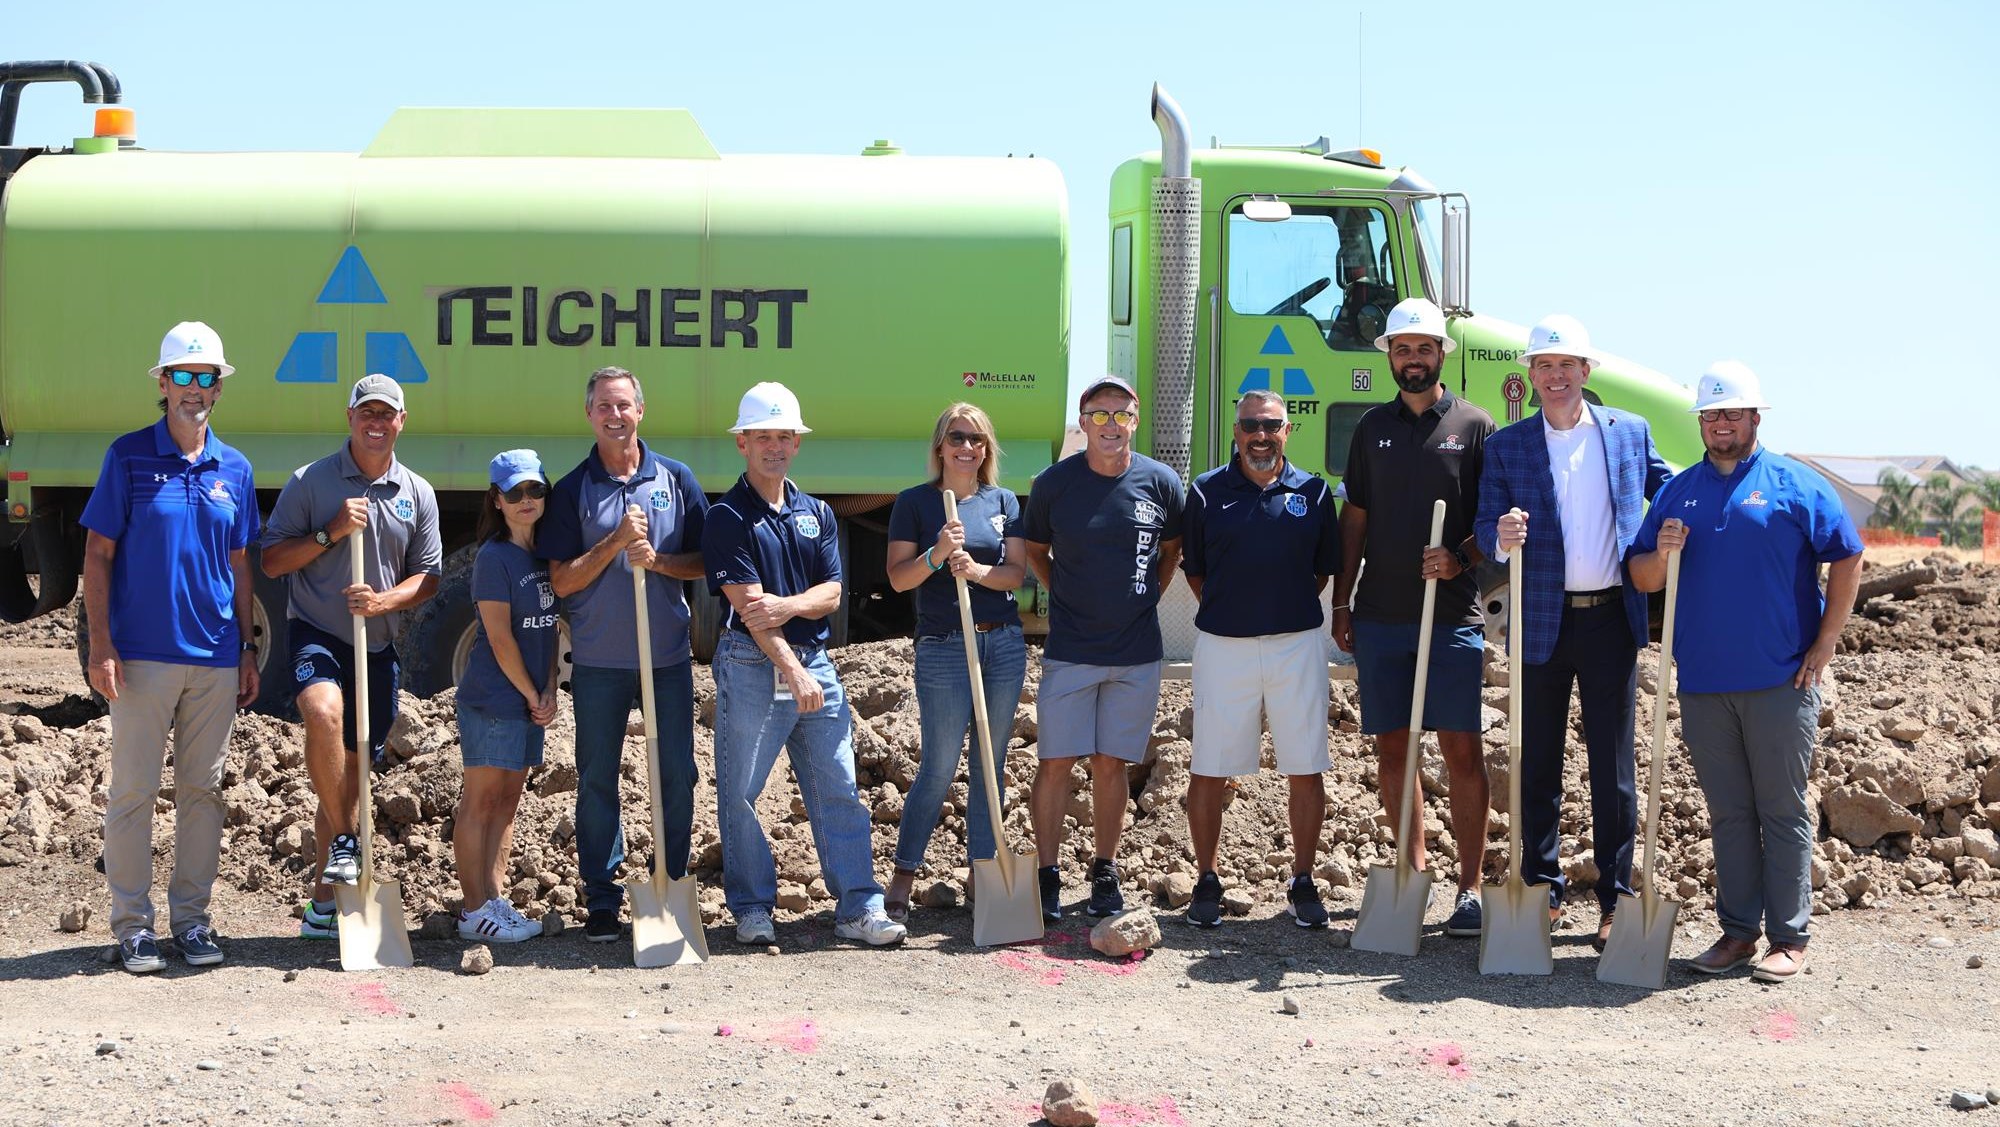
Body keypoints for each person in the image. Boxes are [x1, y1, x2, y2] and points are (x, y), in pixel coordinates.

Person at [1629, 361, 1861, 983]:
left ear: (1755, 417)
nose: (1721, 424)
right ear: (1700, 423)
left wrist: (1827, 642)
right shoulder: (1679, 491)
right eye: (1711, 415)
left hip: (1782, 682)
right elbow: (1642, 577)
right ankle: (1736, 933)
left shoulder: (1795, 485)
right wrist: (1662, 552)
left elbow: (1848, 555)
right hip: (1704, 682)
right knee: (1728, 813)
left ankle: (1789, 938)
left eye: (1732, 413)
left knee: (1782, 810)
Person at [1474, 315, 1672, 951]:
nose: (1555, 377)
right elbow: (1483, 528)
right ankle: (1541, 890)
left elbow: (1670, 492)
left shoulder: (1629, 434)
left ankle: (1617, 897)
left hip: (1612, 617)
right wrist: (1498, 539)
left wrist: (1679, 532)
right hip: (1541, 621)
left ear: (1586, 372)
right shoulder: (1509, 446)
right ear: (1530, 376)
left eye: (1566, 366)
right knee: (1536, 764)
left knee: (1613, 767)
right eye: (1544, 367)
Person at [81, 321, 259, 972]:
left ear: (218, 386)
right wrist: (100, 644)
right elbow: (97, 554)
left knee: (203, 792)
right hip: (141, 657)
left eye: (206, 377)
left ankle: (192, 921)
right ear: (162, 383)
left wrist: (245, 647)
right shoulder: (127, 457)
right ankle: (132, 927)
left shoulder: (234, 468)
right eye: (182, 376)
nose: (194, 389)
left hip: (214, 657)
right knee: (131, 791)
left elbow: (239, 562)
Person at [703, 382, 905, 947]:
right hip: (752, 663)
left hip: (813, 660)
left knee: (838, 784)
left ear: (797, 443)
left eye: (784, 436)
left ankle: (858, 908)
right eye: (763, 436)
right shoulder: (726, 517)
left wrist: (787, 605)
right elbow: (749, 610)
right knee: (741, 790)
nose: (774, 446)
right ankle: (751, 907)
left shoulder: (815, 512)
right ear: (742, 443)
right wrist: (792, 669)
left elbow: (834, 593)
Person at [1329, 298, 1494, 938]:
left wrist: (1458, 560)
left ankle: (1471, 888)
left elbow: (1492, 524)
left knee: (1461, 749)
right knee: (1394, 749)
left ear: (1441, 354)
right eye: (1403, 349)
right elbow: (1357, 520)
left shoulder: (1474, 426)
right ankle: (1412, 869)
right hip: (1382, 615)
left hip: (1453, 616)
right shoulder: (1372, 429)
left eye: (1424, 348)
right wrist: (1343, 600)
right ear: (1391, 357)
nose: (1413, 359)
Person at [259, 374, 441, 941]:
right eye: (368, 413)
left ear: (401, 422)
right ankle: (346, 842)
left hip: (378, 642)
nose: (377, 423)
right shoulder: (311, 482)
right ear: (350, 417)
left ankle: (321, 902)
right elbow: (271, 563)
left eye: (387, 414)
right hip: (317, 631)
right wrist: (330, 534)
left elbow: (429, 577)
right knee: (321, 714)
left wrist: (385, 599)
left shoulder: (418, 492)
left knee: (349, 783)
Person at [537, 366, 708, 944]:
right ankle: (604, 899)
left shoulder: (676, 479)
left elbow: (704, 562)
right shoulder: (571, 490)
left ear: (641, 410)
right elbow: (560, 581)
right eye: (604, 407)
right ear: (589, 414)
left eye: (625, 405)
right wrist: (614, 542)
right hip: (599, 661)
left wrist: (657, 561)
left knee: (676, 775)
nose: (615, 416)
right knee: (597, 778)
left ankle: (672, 879)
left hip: (665, 658)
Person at [1023, 375, 1183, 921]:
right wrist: (1063, 593)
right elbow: (1035, 550)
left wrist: (1146, 596)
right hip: (1071, 650)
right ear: (1083, 422)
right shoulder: (1054, 485)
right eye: (1099, 415)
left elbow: (1172, 549)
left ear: (1135, 421)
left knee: (1111, 764)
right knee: (1056, 762)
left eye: (1121, 415)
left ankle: (1105, 872)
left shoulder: (1161, 483)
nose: (1110, 425)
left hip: (1135, 655)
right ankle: (1047, 876)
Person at [1179, 391, 1341, 929]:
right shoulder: (1205, 492)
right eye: (1251, 425)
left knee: (1305, 763)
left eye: (1271, 426)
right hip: (1224, 647)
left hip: (1297, 645)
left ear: (1287, 431)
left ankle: (1301, 881)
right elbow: (1195, 572)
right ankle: (1206, 879)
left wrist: (1278, 610)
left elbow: (1321, 572)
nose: (1260, 436)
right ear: (1235, 430)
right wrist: (1236, 613)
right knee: (1210, 767)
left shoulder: (1315, 493)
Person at [883, 404, 1028, 921]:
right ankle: (903, 873)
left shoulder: (1003, 501)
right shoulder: (916, 504)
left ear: (986, 449)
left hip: (1004, 644)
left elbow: (1015, 574)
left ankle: (984, 873)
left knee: (991, 762)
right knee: (940, 764)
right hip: (944, 644)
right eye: (957, 437)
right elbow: (899, 579)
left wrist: (978, 569)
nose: (968, 447)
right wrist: (938, 554)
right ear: (940, 446)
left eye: (978, 439)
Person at [452, 450, 561, 945]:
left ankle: (494, 900)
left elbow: (551, 631)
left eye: (534, 490)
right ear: (496, 500)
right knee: (481, 801)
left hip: (528, 699)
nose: (526, 500)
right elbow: (500, 638)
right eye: (514, 492)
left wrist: (550, 689)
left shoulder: (545, 555)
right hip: (494, 698)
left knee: (509, 803)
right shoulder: (494, 558)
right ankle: (473, 909)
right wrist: (533, 693)